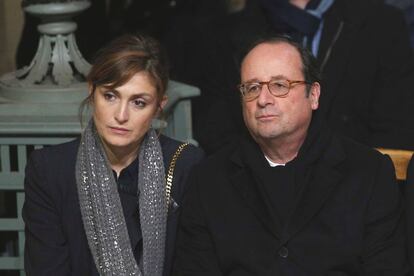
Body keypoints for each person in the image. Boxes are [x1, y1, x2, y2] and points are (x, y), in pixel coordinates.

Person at [173, 35, 408, 275]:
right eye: (252, 88)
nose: (263, 100)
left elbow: (387, 268)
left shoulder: (369, 171)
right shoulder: (209, 178)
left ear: (313, 95)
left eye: (279, 85)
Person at [22, 34, 204, 276]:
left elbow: (196, 265)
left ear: (159, 106)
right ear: (91, 91)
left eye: (138, 102)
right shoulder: (50, 171)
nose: (121, 115)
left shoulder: (185, 165)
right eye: (110, 96)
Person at [189, 0, 414, 154]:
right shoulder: (226, 34)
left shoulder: (380, 23)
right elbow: (216, 130)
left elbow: (396, 130)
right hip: (260, 195)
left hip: (355, 197)